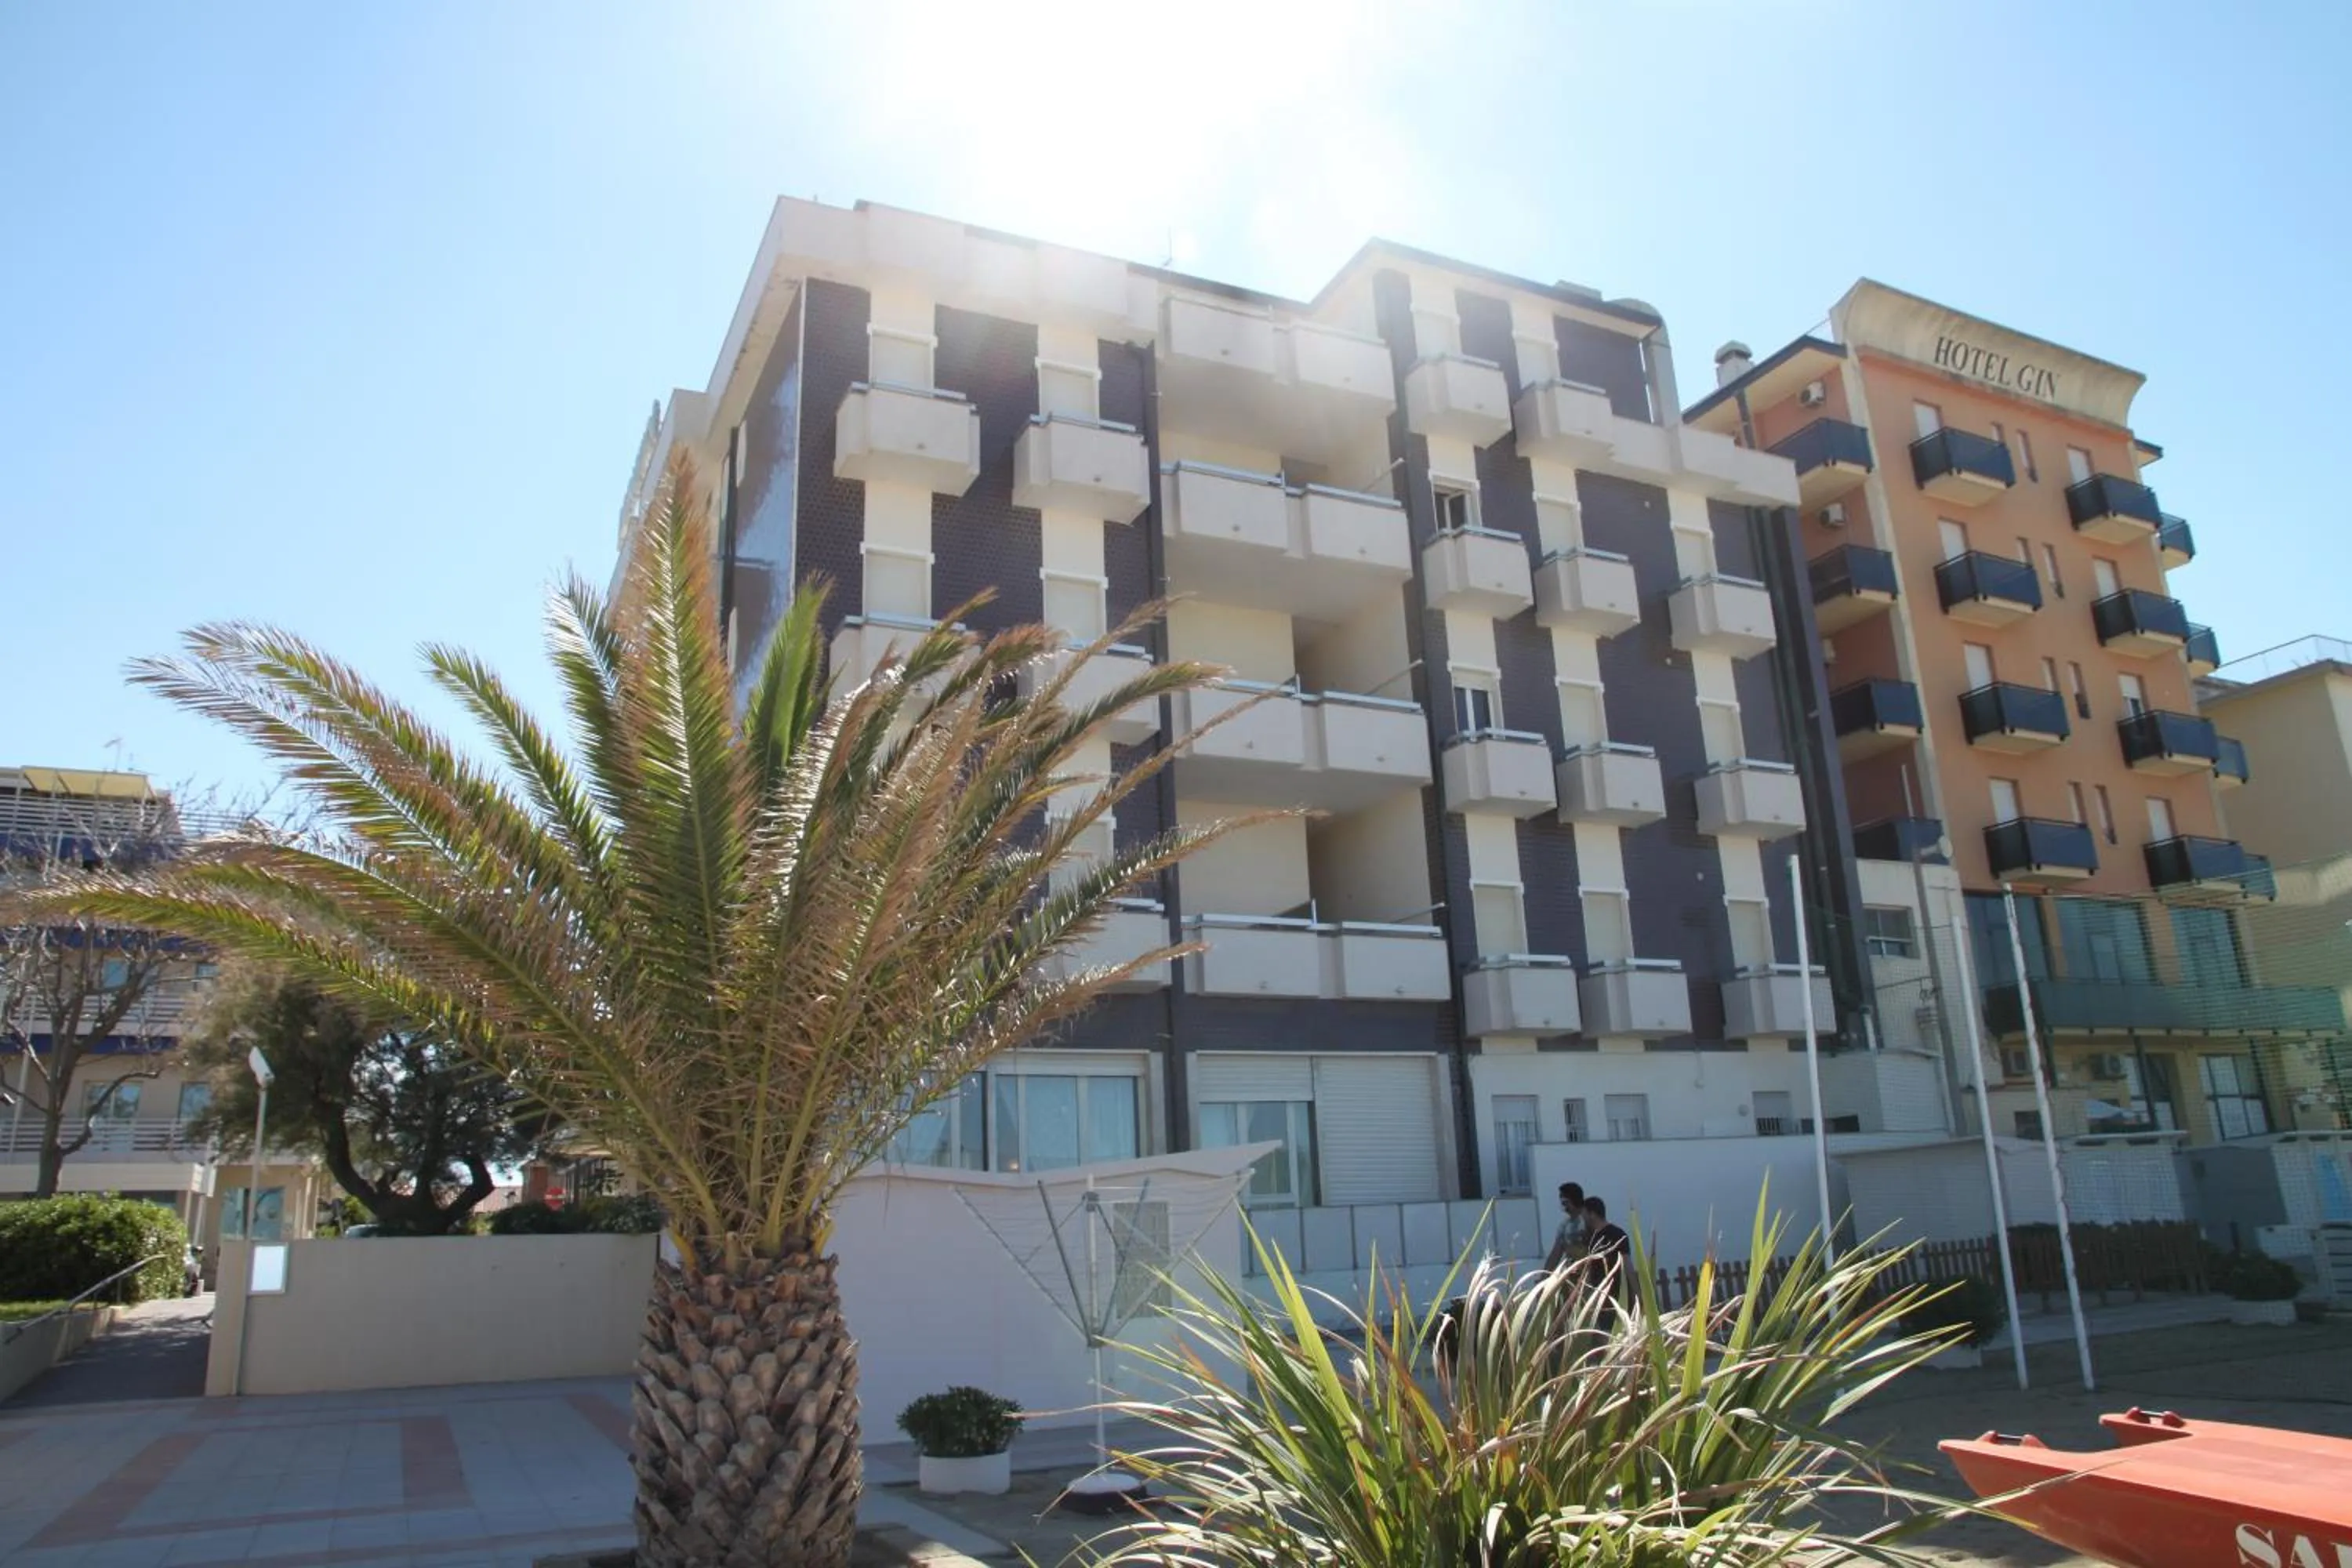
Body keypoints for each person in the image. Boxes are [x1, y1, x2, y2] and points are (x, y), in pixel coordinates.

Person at [1581, 1196, 1632, 1323]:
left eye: (1584, 1214)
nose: (1583, 1218)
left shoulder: (1596, 1240)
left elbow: (1628, 1267)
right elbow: (1629, 1268)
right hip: (1615, 1299)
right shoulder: (1619, 1233)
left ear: (1592, 1214)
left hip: (1607, 1300)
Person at [1543, 1181, 1588, 1272]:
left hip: (1590, 1271)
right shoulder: (1565, 1225)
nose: (1564, 1207)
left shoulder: (1589, 1220)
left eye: (1565, 1202)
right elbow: (1556, 1253)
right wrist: (1544, 1275)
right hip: (1572, 1272)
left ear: (1574, 1200)